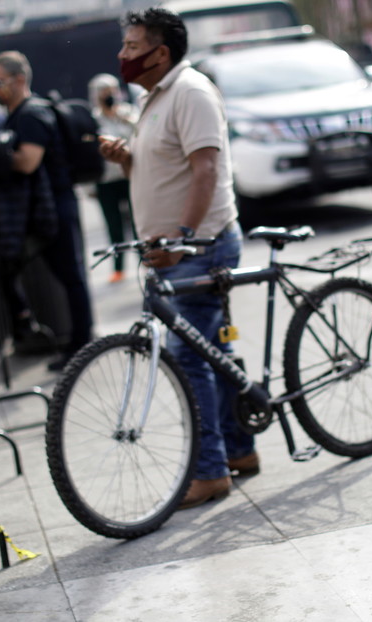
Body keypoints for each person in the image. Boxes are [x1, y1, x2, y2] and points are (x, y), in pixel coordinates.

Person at [99, 7, 256, 509]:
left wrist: (184, 236)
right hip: (174, 252)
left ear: (159, 52)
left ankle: (210, 473)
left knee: (191, 357)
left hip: (198, 249)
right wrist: (128, 159)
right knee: (212, 351)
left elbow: (205, 169)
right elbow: (167, 169)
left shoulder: (188, 92)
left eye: (131, 46)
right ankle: (240, 450)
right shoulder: (155, 98)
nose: (123, 55)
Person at [0, 53, 94, 366]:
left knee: (71, 277)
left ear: (19, 80)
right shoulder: (19, 114)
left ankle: (82, 345)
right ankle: (70, 341)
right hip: (43, 206)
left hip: (54, 206)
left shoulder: (31, 115)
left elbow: (28, 161)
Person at [87, 73, 136, 283]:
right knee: (113, 225)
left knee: (137, 221)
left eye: (111, 91)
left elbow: (141, 134)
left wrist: (125, 119)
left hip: (129, 175)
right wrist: (90, 185)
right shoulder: (93, 120)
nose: (108, 96)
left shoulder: (128, 113)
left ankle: (146, 261)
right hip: (106, 180)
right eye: (103, 92)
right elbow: (88, 152)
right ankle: (118, 267)